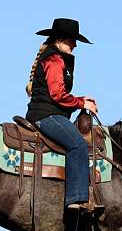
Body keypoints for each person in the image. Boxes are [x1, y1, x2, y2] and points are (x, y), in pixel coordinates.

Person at [25, 18, 100, 212]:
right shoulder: (54, 60)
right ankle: (76, 199)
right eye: (71, 40)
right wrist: (82, 103)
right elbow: (57, 95)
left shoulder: (56, 58)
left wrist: (82, 100)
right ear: (59, 39)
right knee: (78, 145)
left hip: (48, 113)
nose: (75, 45)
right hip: (46, 116)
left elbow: (60, 94)